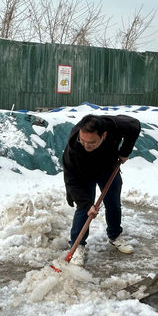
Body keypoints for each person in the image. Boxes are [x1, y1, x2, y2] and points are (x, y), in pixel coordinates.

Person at [62, 114, 141, 265]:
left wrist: (125, 151)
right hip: (84, 173)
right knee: (84, 209)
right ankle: (77, 245)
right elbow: (72, 181)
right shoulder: (74, 148)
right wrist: (86, 204)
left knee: (113, 203)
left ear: (103, 135)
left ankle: (115, 236)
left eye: (91, 142)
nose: (86, 145)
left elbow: (134, 126)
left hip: (108, 168)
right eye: (83, 140)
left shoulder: (115, 126)